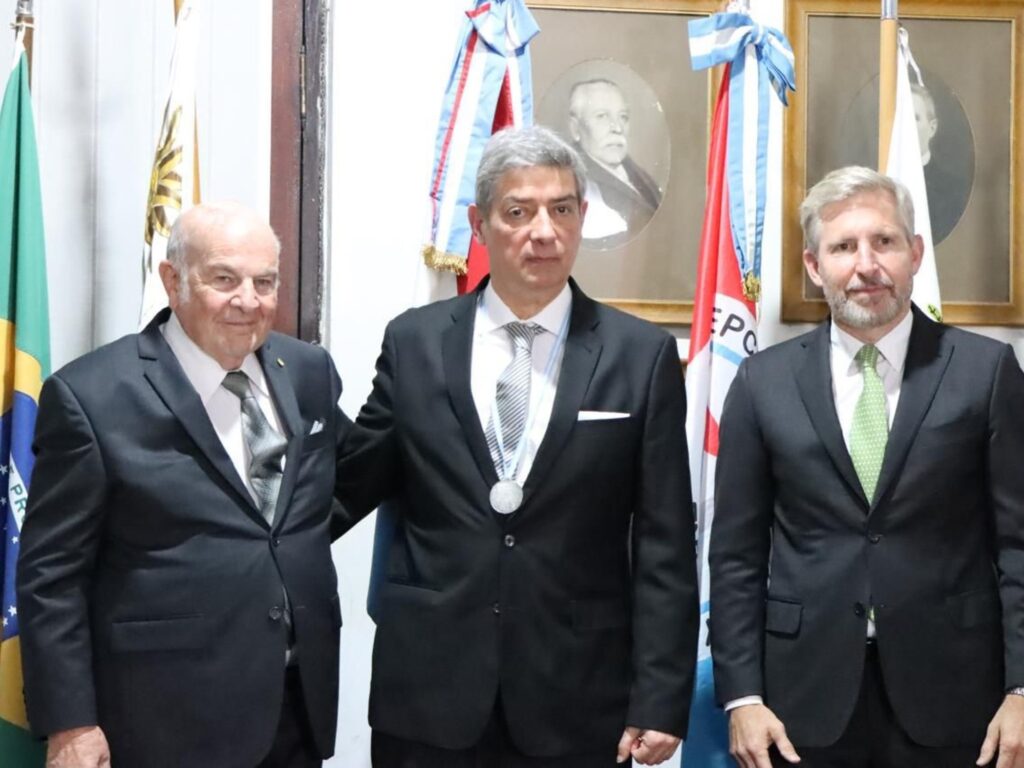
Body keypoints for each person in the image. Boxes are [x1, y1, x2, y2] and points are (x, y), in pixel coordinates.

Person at [336, 125, 698, 767]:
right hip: (428, 693)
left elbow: (665, 542)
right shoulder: (415, 342)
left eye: (562, 209)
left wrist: (661, 697)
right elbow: (349, 484)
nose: (544, 231)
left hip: (578, 696)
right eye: (518, 211)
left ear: (582, 218)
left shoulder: (640, 356)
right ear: (479, 225)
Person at [709, 166, 1024, 768]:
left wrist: (1022, 690)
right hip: (800, 704)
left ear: (915, 253)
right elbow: (735, 556)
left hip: (959, 698)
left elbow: (1019, 545)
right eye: (843, 247)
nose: (866, 265)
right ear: (813, 265)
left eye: (884, 241)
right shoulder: (761, 382)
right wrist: (742, 697)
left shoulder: (985, 373)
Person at [17, 202, 350, 768]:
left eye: (264, 282)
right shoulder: (92, 396)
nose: (248, 300)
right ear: (173, 281)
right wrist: (71, 724)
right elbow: (52, 575)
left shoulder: (308, 371)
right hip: (164, 719)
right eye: (224, 279)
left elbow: (321, 497)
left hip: (295, 709)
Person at [567, 78, 662, 245]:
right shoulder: (575, 183)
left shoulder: (636, 172)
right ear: (575, 129)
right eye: (602, 116)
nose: (617, 128)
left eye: (623, 117)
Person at [911, 82, 966, 244]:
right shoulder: (879, 185)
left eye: (915, 118)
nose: (908, 126)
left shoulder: (953, 189)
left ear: (932, 128)